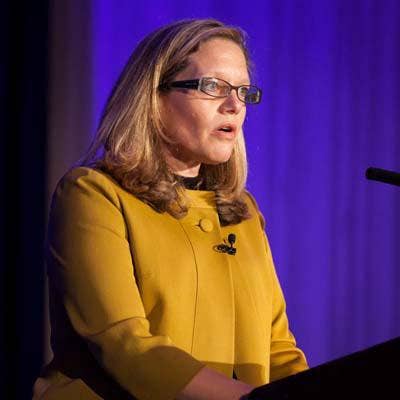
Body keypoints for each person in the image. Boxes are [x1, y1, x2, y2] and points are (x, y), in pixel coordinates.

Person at [33, 18, 308, 400]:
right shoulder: (94, 195)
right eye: (213, 87)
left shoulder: (242, 213)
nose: (234, 106)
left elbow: (277, 348)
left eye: (243, 91)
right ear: (154, 97)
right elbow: (124, 342)